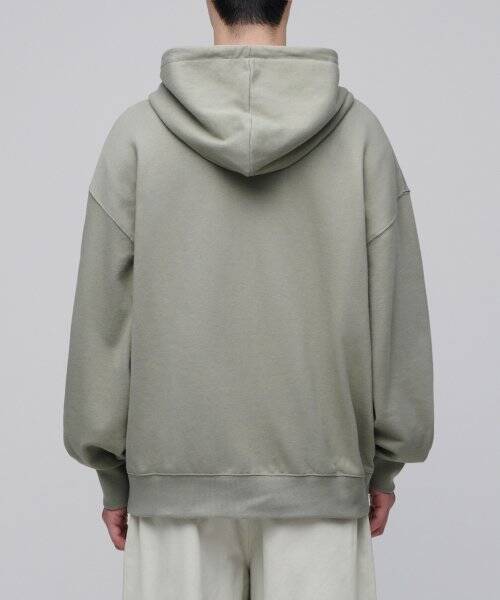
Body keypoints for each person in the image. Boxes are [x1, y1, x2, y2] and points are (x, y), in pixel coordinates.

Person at [64, 1, 434, 598]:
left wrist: (111, 470)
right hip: (321, 474)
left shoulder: (137, 136)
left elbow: (102, 318)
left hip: (174, 481)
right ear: (290, 3)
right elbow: (396, 311)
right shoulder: (361, 137)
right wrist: (387, 463)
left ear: (208, 3)